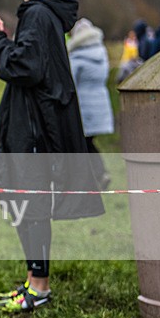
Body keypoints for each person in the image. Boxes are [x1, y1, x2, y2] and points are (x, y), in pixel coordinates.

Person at [0, 0, 104, 313]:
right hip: (38, 124)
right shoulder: (45, 15)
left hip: (34, 132)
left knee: (30, 207)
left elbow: (25, 67)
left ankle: (39, 288)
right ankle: (35, 283)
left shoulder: (36, 14)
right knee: (28, 207)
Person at [67, 18, 114, 190]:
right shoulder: (101, 53)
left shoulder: (77, 56)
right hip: (100, 104)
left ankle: (97, 175)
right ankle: (97, 176)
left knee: (82, 144)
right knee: (87, 143)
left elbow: (70, 82)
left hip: (83, 105)